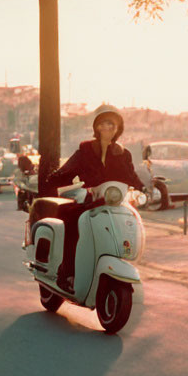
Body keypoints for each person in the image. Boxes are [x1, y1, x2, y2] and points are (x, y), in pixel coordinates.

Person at [30, 105, 145, 291]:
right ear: (96, 127)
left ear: (118, 129)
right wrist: (49, 180)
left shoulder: (123, 154)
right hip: (91, 200)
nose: (107, 127)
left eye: (112, 124)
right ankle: (67, 273)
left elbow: (132, 177)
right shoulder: (85, 150)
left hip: (116, 202)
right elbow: (67, 170)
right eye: (103, 123)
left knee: (129, 222)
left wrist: (145, 188)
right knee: (73, 219)